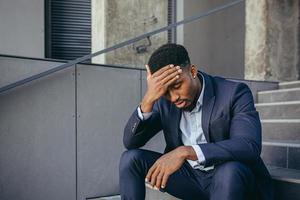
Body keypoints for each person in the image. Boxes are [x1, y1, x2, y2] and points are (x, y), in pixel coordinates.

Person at [119, 43, 273, 200]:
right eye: (165, 92)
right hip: (191, 179)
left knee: (228, 171)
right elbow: (131, 142)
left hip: (230, 180)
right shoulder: (165, 102)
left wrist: (186, 152)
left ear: (193, 71)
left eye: (177, 86)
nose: (173, 98)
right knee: (130, 159)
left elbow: (248, 145)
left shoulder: (233, 93)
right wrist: (148, 100)